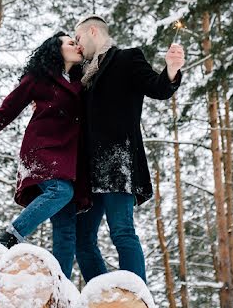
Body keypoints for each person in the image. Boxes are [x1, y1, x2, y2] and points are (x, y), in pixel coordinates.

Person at [0, 31, 87, 278]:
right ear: (56, 50)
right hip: (42, 150)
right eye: (70, 43)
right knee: (60, 192)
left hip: (71, 160)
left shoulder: (82, 83)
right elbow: (7, 110)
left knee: (67, 228)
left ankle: (61, 288)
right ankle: (9, 238)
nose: (76, 46)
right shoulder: (39, 79)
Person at [72, 15, 184, 283]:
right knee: (82, 239)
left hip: (116, 159)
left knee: (121, 231)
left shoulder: (127, 59)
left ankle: (134, 297)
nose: (77, 46)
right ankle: (104, 297)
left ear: (92, 31)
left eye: (77, 39)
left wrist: (171, 70)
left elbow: (157, 88)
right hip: (86, 167)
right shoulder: (79, 73)